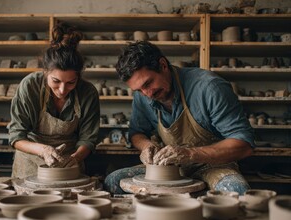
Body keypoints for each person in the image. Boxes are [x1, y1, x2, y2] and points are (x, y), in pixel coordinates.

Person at [104, 41, 254, 194]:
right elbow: (136, 133)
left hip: (213, 164)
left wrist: (190, 154)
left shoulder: (209, 87)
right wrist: (147, 146)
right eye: (139, 90)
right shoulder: (142, 96)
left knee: (237, 190)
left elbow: (244, 144)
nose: (147, 94)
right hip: (170, 165)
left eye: (148, 83)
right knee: (113, 181)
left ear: (163, 65)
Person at [8, 24, 100, 178]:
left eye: (71, 82)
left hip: (70, 160)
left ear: (78, 77)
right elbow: (16, 137)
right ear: (45, 73)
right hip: (32, 158)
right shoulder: (30, 86)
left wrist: (75, 158)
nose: (63, 90)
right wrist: (43, 150)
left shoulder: (87, 92)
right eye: (56, 81)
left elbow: (88, 139)